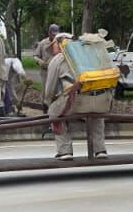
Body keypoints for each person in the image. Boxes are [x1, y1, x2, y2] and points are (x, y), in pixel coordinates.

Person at [43, 33, 107, 161]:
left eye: (54, 44)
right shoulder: (89, 54)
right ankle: (100, 150)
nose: (53, 48)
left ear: (60, 44)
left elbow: (49, 89)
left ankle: (65, 150)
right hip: (100, 98)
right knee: (96, 115)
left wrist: (49, 102)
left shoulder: (58, 59)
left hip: (75, 100)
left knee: (54, 113)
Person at [34, 24, 60, 89]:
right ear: (49, 33)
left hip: (56, 72)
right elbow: (35, 56)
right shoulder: (42, 43)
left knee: (55, 92)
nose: (55, 36)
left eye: (56, 35)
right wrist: (40, 61)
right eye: (53, 35)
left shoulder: (60, 43)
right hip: (45, 72)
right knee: (45, 91)